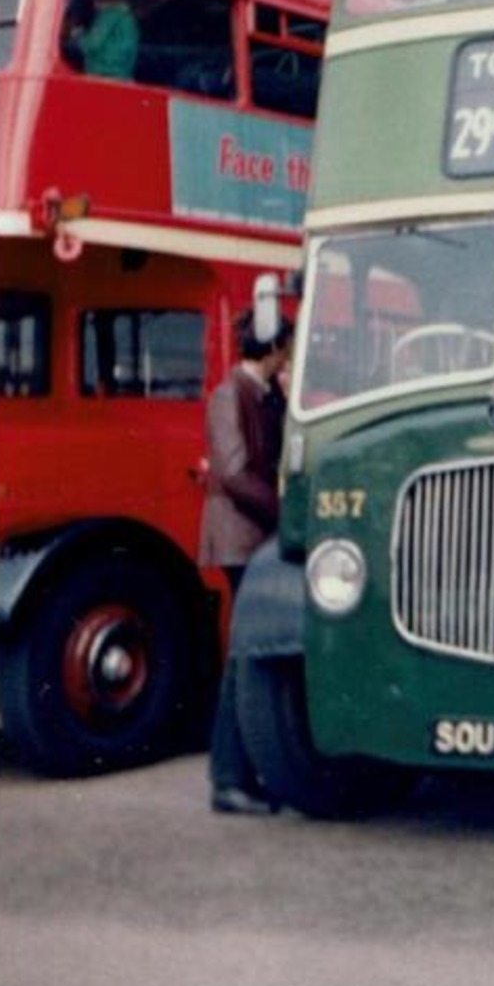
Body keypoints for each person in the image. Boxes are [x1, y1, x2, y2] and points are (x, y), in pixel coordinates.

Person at [200, 312, 293, 812]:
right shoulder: (229, 394)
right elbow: (235, 472)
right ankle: (230, 779)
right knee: (242, 656)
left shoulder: (259, 394)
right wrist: (286, 516)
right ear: (274, 345)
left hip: (248, 537)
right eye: (288, 346)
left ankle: (238, 775)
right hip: (240, 538)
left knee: (246, 653)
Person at [64, 0, 139, 80]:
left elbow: (91, 43)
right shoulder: (129, 18)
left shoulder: (109, 15)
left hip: (103, 75)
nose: (94, 6)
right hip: (122, 76)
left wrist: (77, 35)